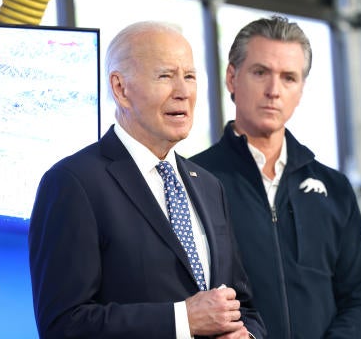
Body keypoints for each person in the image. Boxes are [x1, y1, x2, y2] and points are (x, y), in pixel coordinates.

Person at [28, 21, 265, 339]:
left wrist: (247, 335)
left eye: (190, 76)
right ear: (121, 89)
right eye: (165, 76)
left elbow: (243, 307)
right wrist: (182, 320)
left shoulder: (209, 186)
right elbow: (63, 325)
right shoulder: (73, 183)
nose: (183, 92)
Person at [190, 15, 361, 338]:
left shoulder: (335, 189)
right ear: (232, 78)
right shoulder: (194, 182)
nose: (273, 90)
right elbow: (185, 300)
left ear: (301, 90)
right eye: (260, 72)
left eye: (289, 77)